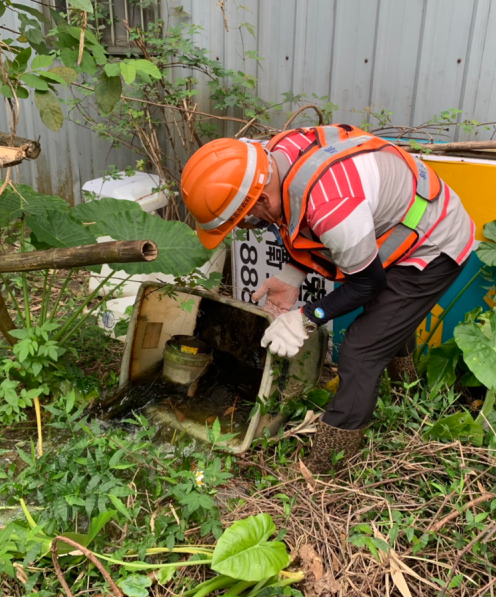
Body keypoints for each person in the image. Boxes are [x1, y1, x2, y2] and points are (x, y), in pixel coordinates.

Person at [180, 124, 475, 473]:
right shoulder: (274, 156)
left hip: (434, 241)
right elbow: (301, 226)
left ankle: (330, 463)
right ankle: (405, 391)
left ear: (260, 200)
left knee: (362, 349)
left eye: (242, 222)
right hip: (394, 223)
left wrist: (306, 317)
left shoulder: (333, 210)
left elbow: (367, 284)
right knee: (387, 320)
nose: (245, 229)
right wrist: (291, 277)